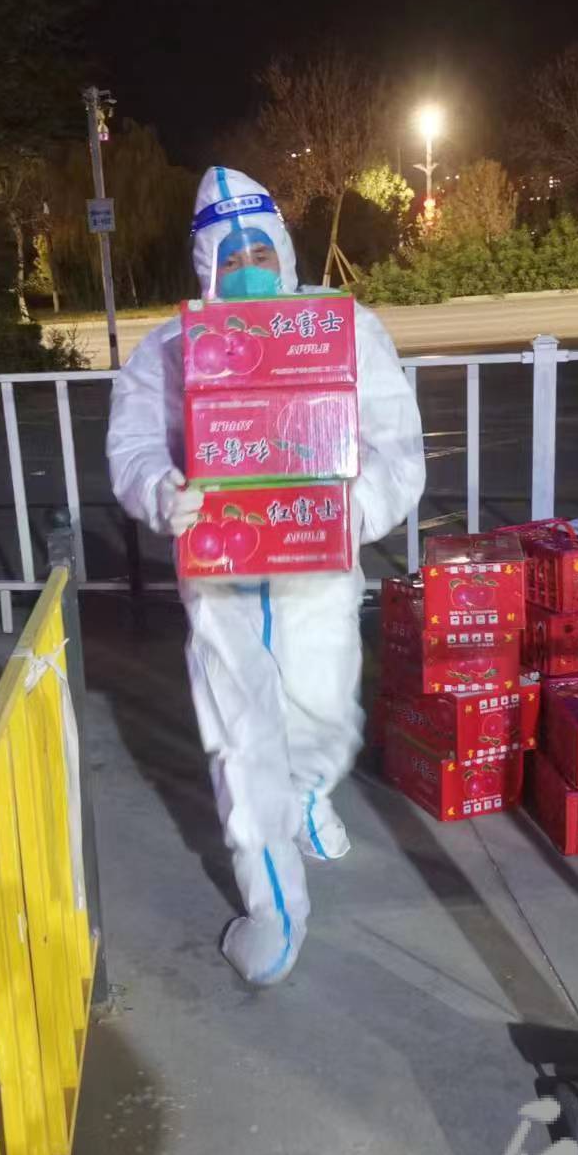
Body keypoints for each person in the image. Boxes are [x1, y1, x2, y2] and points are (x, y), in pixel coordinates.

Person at [107, 167, 426, 984]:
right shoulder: (170, 348)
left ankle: (309, 792)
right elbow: (134, 446)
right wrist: (161, 490)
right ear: (205, 264)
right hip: (221, 576)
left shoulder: (343, 330)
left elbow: (396, 445)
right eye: (229, 256)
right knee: (242, 731)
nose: (247, 268)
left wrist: (355, 507)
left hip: (317, 566)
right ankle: (274, 907)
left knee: (325, 710)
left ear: (282, 248)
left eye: (259, 251)